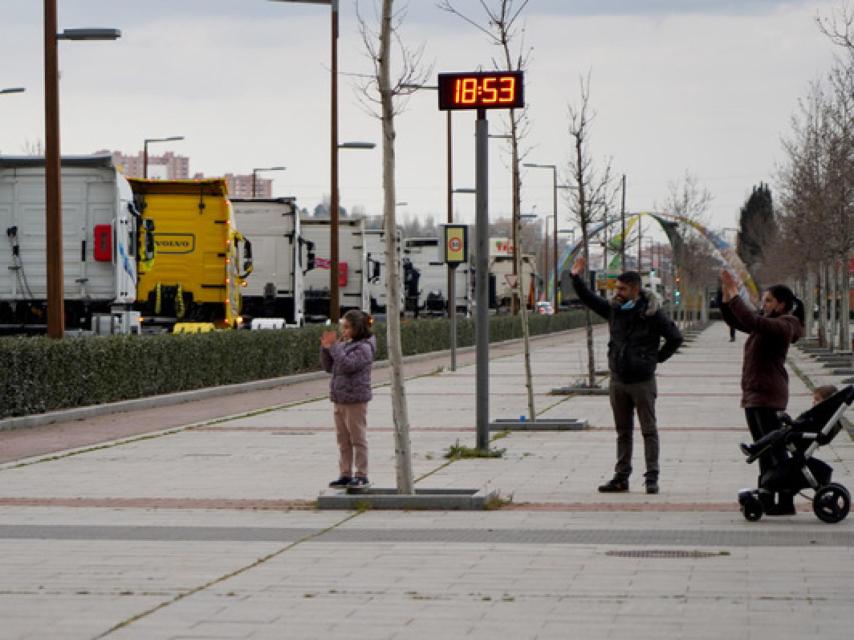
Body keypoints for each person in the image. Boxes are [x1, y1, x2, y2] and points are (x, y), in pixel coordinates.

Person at [570, 257, 684, 494]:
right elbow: (590, 300)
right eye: (616, 288)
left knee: (648, 430)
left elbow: (675, 337)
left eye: (622, 288)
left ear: (634, 289)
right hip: (618, 380)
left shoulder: (652, 313)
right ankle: (621, 477)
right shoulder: (615, 310)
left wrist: (656, 359)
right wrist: (576, 279)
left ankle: (652, 476)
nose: (617, 292)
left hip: (642, 382)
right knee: (623, 433)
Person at [720, 271, 804, 515]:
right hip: (755, 395)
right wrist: (727, 298)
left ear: (782, 304)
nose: (763, 305)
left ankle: (785, 501)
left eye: (768, 301)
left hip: (769, 396)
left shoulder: (785, 324)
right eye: (763, 300)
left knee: (774, 451)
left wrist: (736, 294)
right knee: (764, 452)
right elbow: (739, 321)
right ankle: (767, 496)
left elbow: (752, 321)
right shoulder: (768, 325)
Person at [320, 309, 377, 490]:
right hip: (340, 397)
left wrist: (335, 348)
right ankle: (345, 473)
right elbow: (331, 367)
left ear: (357, 328)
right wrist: (326, 349)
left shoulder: (365, 348)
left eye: (346, 327)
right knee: (342, 439)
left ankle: (361, 474)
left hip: (355, 399)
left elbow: (348, 365)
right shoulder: (345, 344)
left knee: (357, 438)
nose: (343, 331)